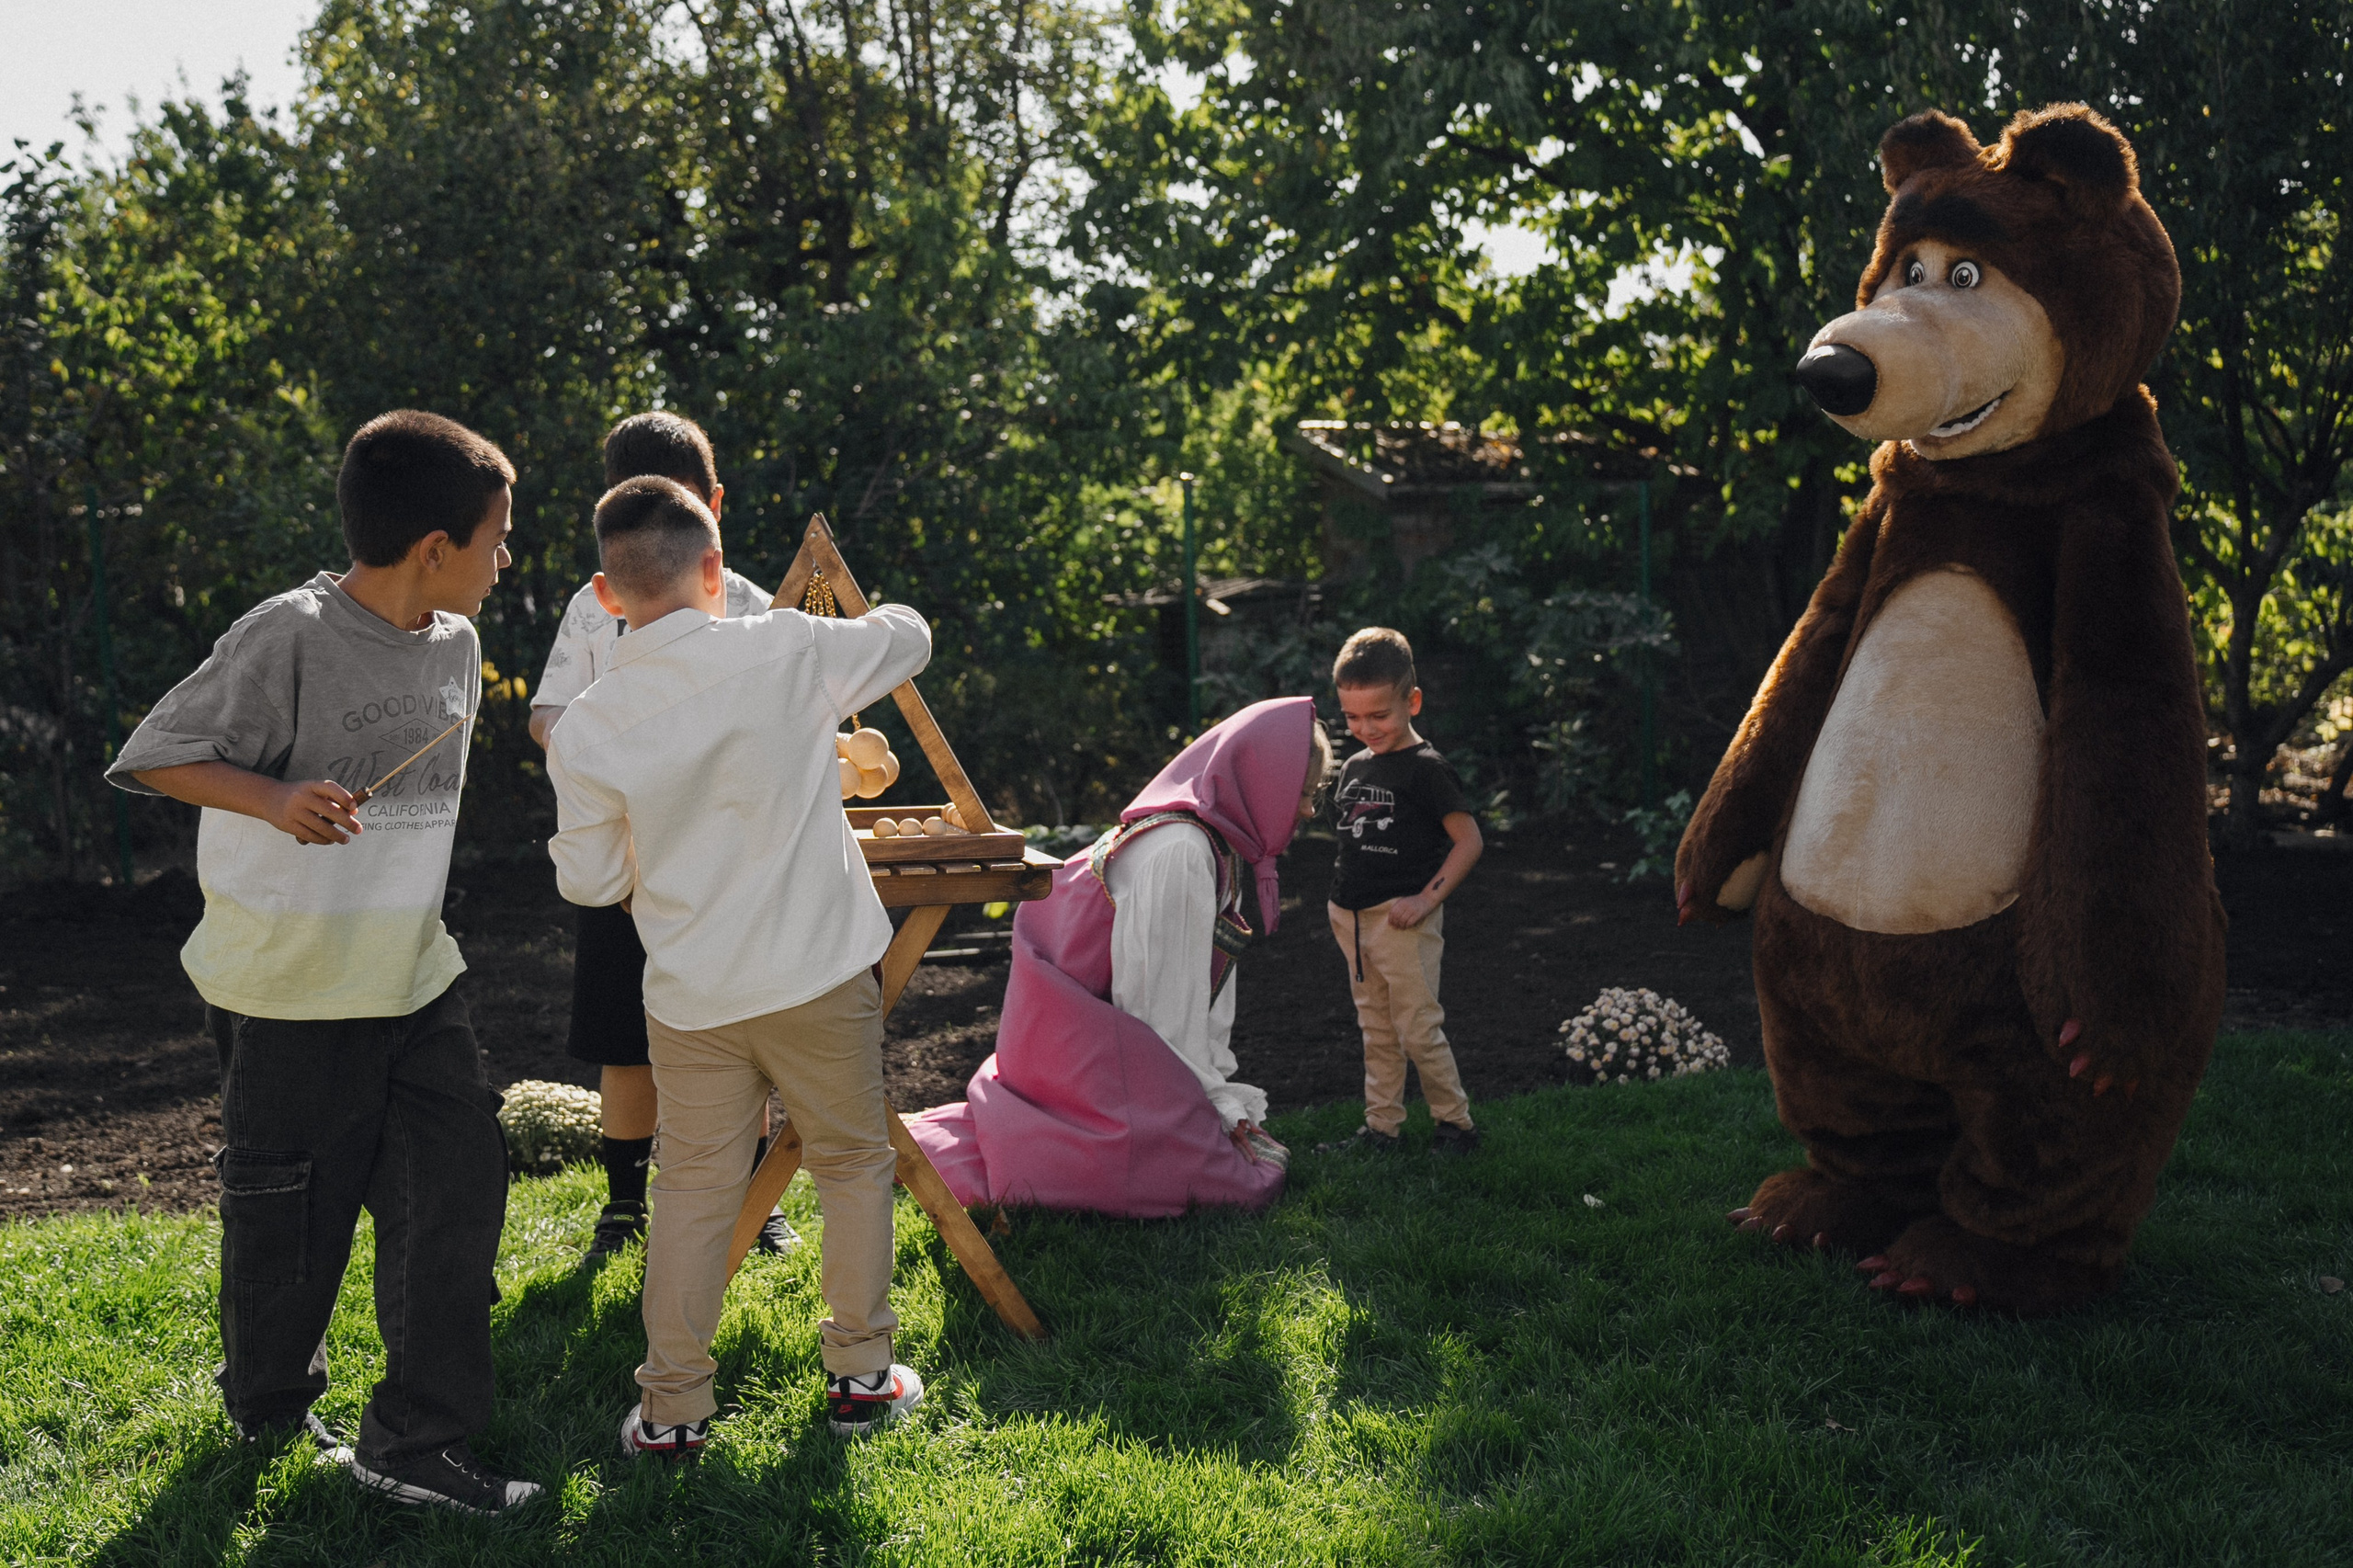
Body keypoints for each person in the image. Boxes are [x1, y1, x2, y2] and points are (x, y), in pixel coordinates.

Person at [106, 410, 542, 1516]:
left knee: (456, 1186)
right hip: (287, 986)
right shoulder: (286, 634)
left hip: (415, 972)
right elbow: (155, 752)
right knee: (290, 1216)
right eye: (497, 537)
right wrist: (273, 796)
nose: (507, 559)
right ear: (433, 546)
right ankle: (267, 1401)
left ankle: (415, 1441)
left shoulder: (456, 641)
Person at [546, 476, 933, 1452]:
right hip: (816, 971)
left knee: (689, 1189)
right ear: (717, 570)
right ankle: (860, 1377)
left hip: (691, 992)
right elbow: (911, 633)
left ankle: (673, 1411)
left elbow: (589, 882)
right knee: (850, 1164)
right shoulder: (787, 647)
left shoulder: (588, 725)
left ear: (605, 592)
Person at [528, 412, 794, 1265]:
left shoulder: (749, 602)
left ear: (712, 512)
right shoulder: (594, 604)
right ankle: (622, 1201)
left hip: (728, 869)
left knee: (741, 1022)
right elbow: (548, 716)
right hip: (630, 864)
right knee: (624, 1036)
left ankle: (758, 1196)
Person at [905, 697, 1333, 1217]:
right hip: (1077, 1040)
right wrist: (1210, 1107)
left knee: (1239, 1164)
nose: (1310, 811)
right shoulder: (1182, 851)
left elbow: (1198, 1001)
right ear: (1259, 780)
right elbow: (1156, 1015)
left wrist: (1215, 1094)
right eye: (1304, 795)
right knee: (1236, 1187)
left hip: (1092, 1031)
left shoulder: (1218, 843)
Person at [1325, 628, 1483, 1153]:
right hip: (1350, 919)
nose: (1365, 728)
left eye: (1379, 715)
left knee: (1417, 1028)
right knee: (1377, 1030)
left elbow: (1468, 842)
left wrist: (1426, 899)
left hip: (1402, 919)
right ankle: (1382, 1128)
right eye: (1351, 717)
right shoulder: (1352, 766)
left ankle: (1455, 1123)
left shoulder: (1427, 770)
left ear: (1411, 701)